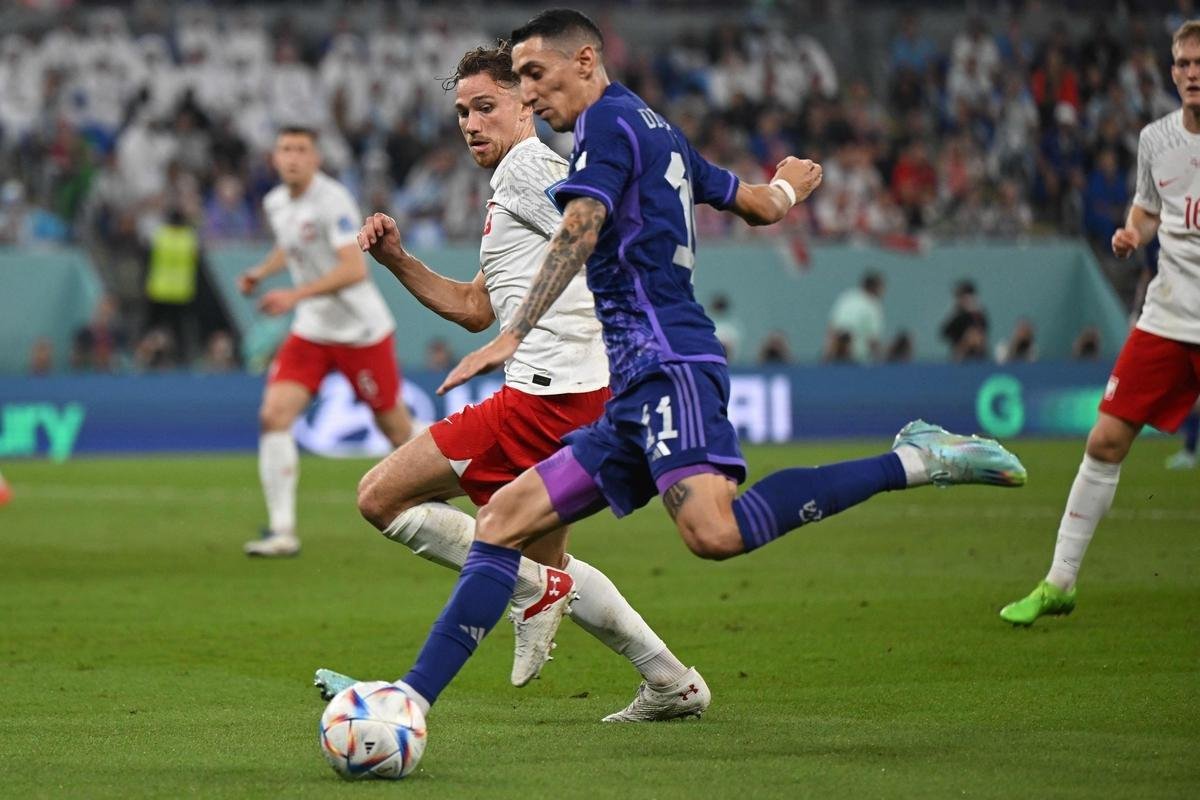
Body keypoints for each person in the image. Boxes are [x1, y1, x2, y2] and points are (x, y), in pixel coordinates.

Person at [373, 9, 1027, 724]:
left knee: (714, 533)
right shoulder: (658, 130)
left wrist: (516, 331)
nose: (528, 93)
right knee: (502, 521)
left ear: (584, 61)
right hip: (629, 385)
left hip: (669, 363)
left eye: (533, 75)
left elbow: (581, 225)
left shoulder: (604, 129)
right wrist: (787, 188)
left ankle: (916, 460)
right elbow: (756, 205)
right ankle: (410, 702)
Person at [314, 43, 708, 722]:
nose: (471, 124)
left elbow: (598, 234)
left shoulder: (529, 169)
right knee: (551, 564)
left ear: (526, 104)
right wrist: (398, 260)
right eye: (462, 112)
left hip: (548, 396)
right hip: (581, 395)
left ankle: (507, 611)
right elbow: (475, 307)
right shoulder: (511, 187)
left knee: (380, 497)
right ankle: (672, 683)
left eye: (486, 107)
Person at [1000, 21, 1200, 626]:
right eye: (1184, 63)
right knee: (1105, 440)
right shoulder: (1156, 139)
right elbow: (1148, 206)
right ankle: (1059, 582)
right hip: (1168, 317)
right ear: (1172, 72)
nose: (1192, 73)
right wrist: (1133, 232)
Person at [237, 126, 413, 557]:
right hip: (313, 330)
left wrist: (293, 295)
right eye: (285, 149)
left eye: (301, 149)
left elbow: (354, 269)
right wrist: (262, 272)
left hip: (360, 332)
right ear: (275, 158)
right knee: (273, 416)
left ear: (315, 159)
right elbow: (291, 244)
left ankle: (450, 484)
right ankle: (282, 531)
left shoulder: (333, 200)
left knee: (397, 431)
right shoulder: (276, 202)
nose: (292, 157)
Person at [826, 271, 885, 363]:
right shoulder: (872, 305)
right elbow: (873, 341)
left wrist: (828, 354)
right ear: (875, 287)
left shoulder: (847, 297)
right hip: (856, 359)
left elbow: (832, 328)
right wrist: (884, 361)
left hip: (835, 357)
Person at [940, 279, 989, 361]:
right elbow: (944, 333)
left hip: (977, 357)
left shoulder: (979, 315)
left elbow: (982, 334)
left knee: (973, 335)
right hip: (958, 357)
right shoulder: (956, 315)